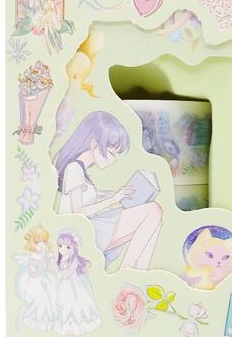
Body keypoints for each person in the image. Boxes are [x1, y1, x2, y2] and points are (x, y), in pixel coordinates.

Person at [54, 111, 162, 270]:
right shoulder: (73, 169)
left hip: (90, 229)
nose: (112, 160)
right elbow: (78, 211)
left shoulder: (79, 170)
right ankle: (129, 271)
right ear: (93, 144)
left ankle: (135, 270)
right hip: (83, 234)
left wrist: (117, 195)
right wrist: (113, 200)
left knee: (153, 212)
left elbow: (87, 200)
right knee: (153, 210)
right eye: (111, 153)